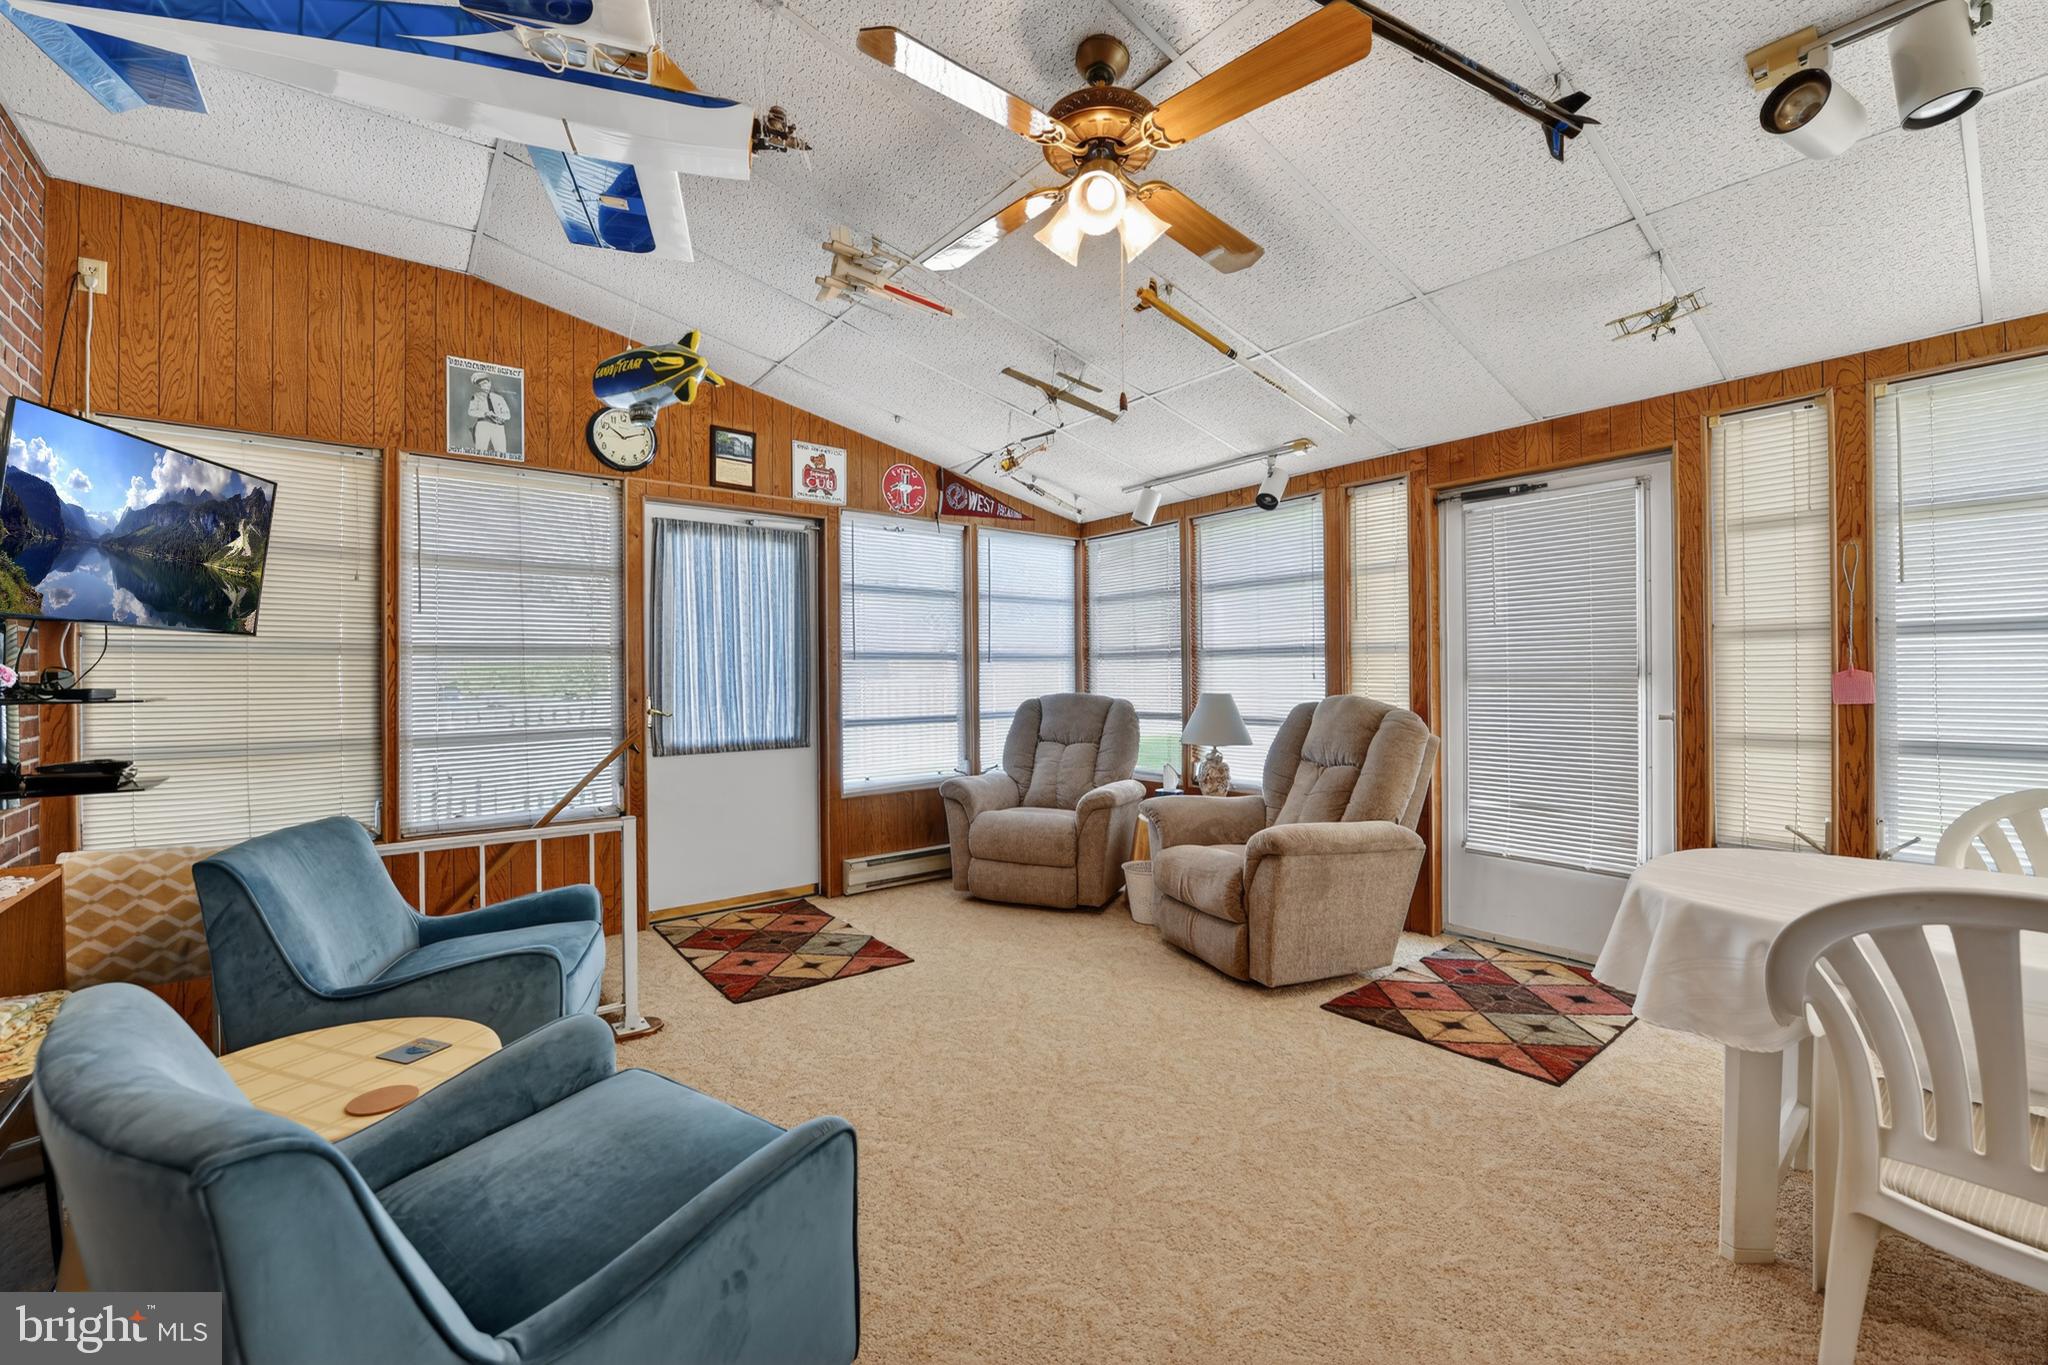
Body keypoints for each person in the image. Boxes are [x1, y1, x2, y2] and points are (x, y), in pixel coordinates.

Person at [468, 372, 513, 454]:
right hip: (483, 425)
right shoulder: (476, 396)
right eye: (481, 385)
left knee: (501, 452)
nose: (484, 386)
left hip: (498, 426)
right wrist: (485, 413)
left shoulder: (499, 398)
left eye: (485, 383)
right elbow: (471, 411)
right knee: (480, 451)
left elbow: (508, 414)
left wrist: (498, 416)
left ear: (490, 383)